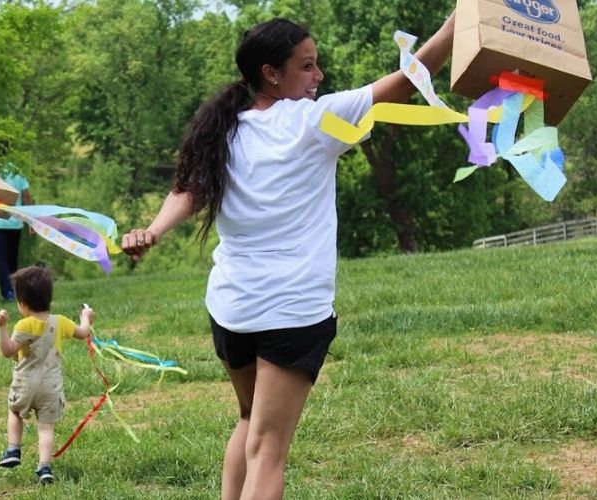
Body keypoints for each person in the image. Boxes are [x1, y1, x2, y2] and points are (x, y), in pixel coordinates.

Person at [120, 14, 456, 500]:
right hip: (292, 313)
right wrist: (454, 25)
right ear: (271, 73)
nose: (318, 77)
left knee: (249, 420)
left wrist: (152, 230)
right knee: (269, 447)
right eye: (307, 66)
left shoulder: (225, 128)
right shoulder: (314, 122)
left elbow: (189, 189)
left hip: (232, 311)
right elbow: (407, 81)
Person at [0, 265, 94, 485]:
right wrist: (86, 316)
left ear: (23, 304)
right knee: (46, 427)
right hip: (51, 387)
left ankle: (13, 449)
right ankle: (44, 467)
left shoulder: (25, 324)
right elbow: (83, 332)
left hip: (25, 384)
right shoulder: (60, 322)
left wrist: (1, 328)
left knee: (15, 411)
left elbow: (8, 350)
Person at [0, 165, 34, 301]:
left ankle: (8, 292)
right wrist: (31, 222)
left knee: (1, 259)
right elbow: (26, 196)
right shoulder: (18, 170)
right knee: (12, 259)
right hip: (14, 222)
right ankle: (13, 289)